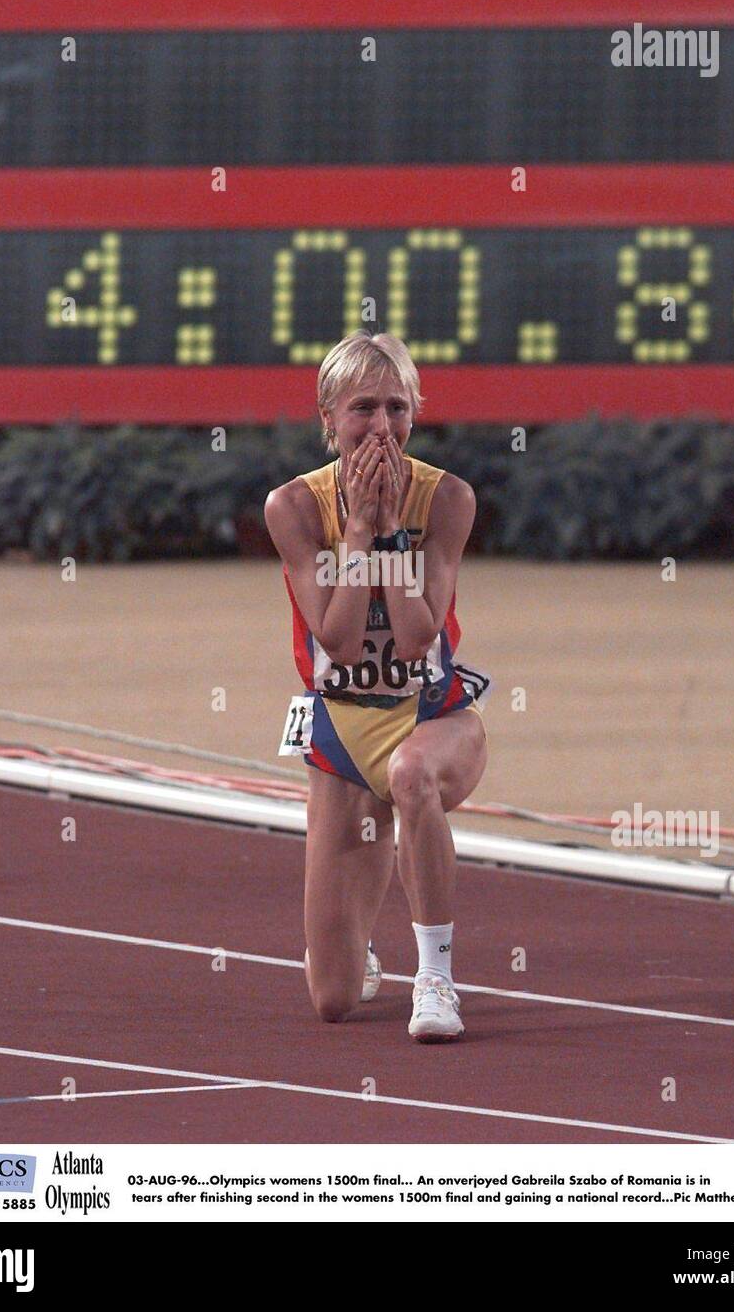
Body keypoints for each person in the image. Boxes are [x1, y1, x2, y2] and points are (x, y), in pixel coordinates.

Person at [265, 330, 491, 1042]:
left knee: (413, 776)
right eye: (363, 408)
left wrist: (393, 528)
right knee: (332, 1002)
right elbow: (340, 640)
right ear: (327, 417)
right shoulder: (294, 508)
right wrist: (360, 529)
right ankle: (352, 942)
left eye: (397, 408)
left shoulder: (447, 498)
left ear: (415, 415)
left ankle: (436, 978)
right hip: (340, 729)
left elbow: (418, 634)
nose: (381, 428)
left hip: (433, 715)